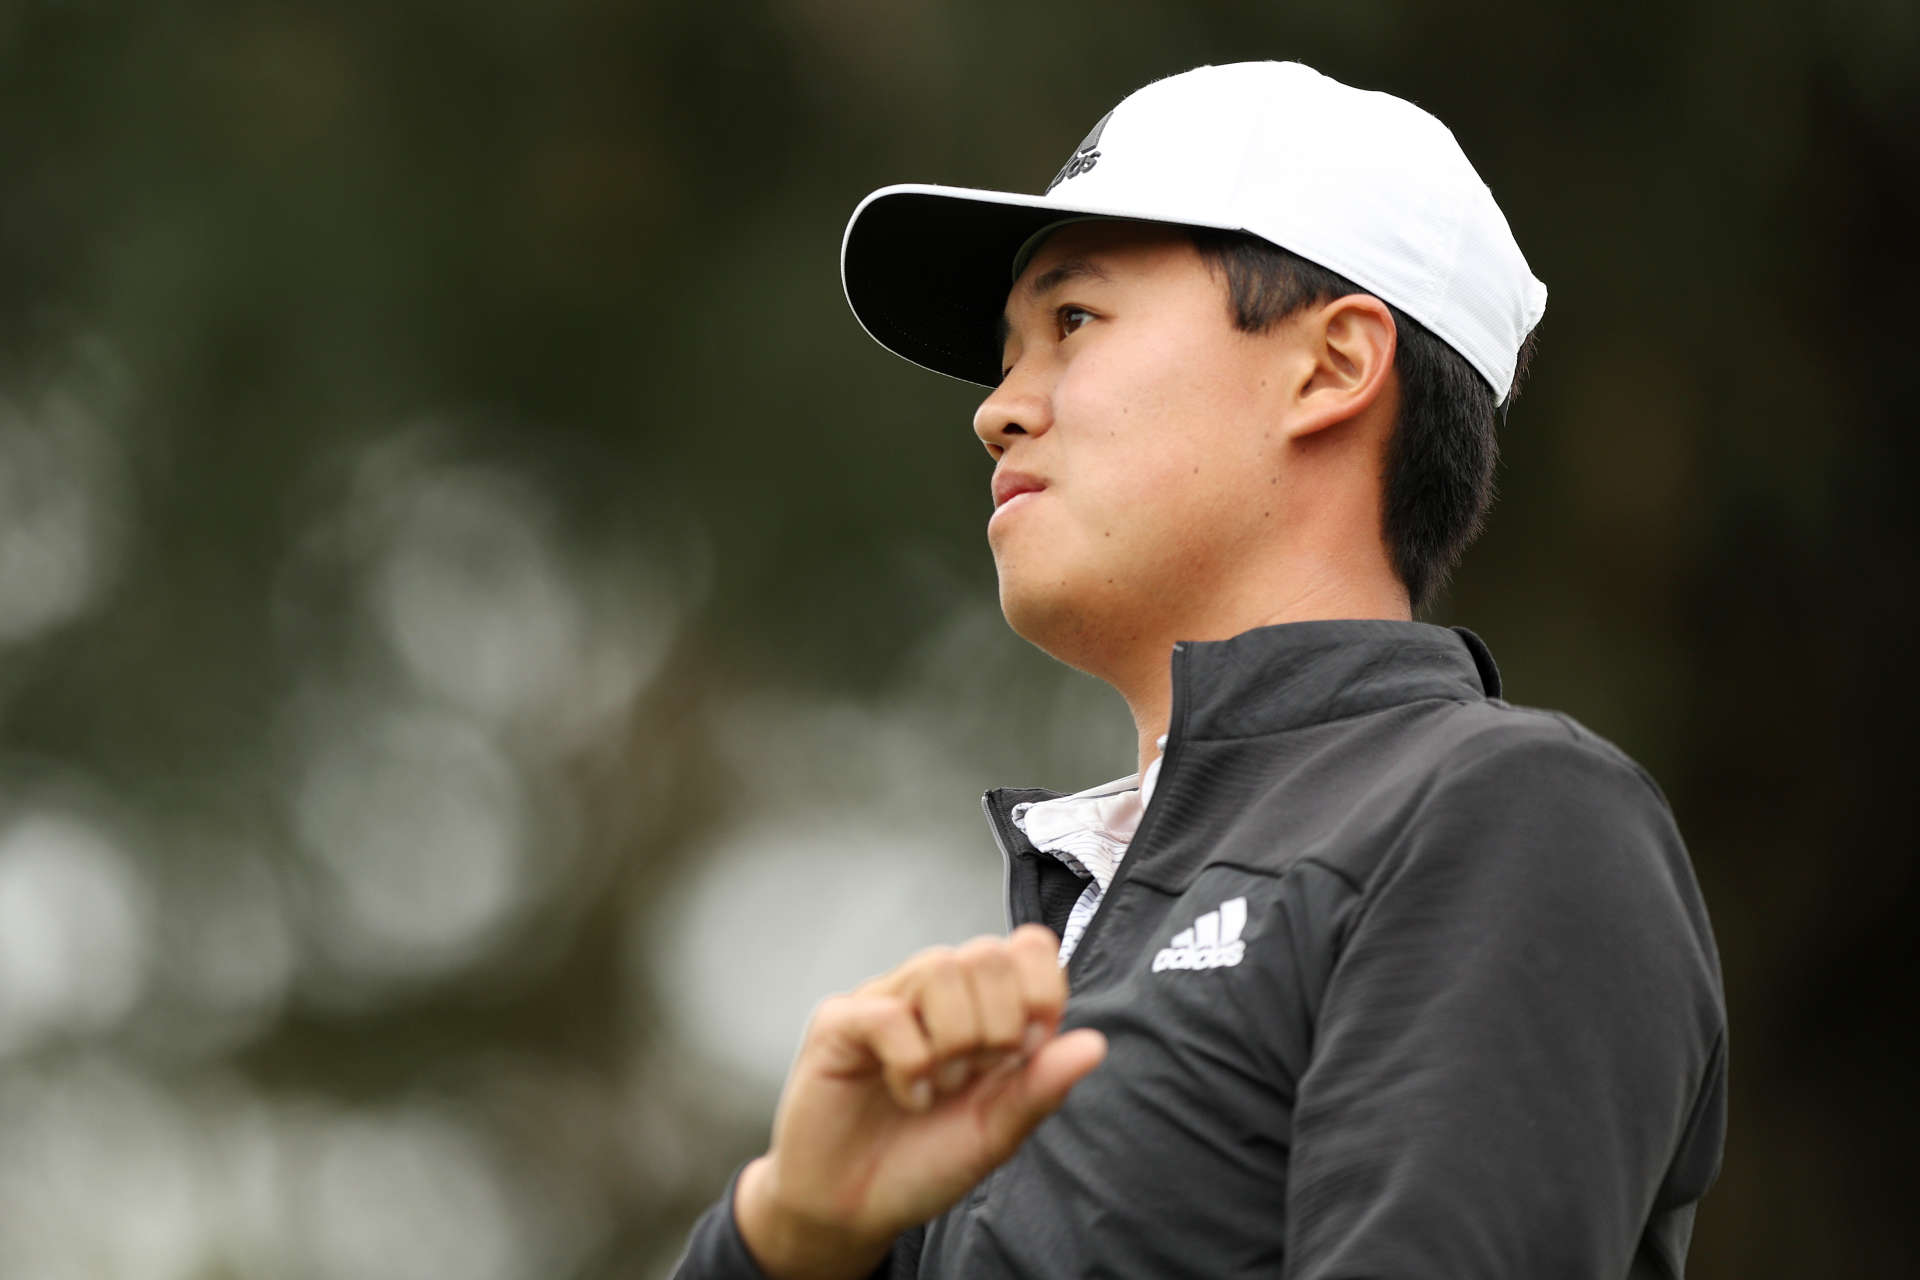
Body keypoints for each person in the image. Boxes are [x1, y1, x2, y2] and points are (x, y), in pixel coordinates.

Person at [674, 61, 1726, 1279]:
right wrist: (788, 1236)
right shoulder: (1048, 968)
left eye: (1073, 322)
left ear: (1332, 366)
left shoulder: (1512, 813)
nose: (998, 409)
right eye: (1010, 353)